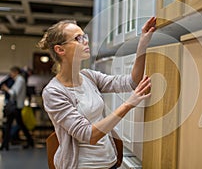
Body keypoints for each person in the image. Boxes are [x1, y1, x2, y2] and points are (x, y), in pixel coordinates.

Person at [38, 17, 156, 168]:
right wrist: (128, 105)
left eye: (84, 36)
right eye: (78, 38)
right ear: (60, 50)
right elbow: (88, 135)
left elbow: (132, 82)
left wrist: (143, 43)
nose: (85, 41)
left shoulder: (89, 76)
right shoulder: (53, 92)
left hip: (110, 162)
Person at [0, 66, 34, 151]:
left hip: (16, 106)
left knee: (11, 124)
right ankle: (6, 144)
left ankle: (5, 144)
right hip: (16, 106)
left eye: (11, 72)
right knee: (18, 124)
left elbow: (14, 93)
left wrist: (6, 89)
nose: (10, 75)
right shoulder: (19, 80)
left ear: (16, 72)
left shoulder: (20, 80)